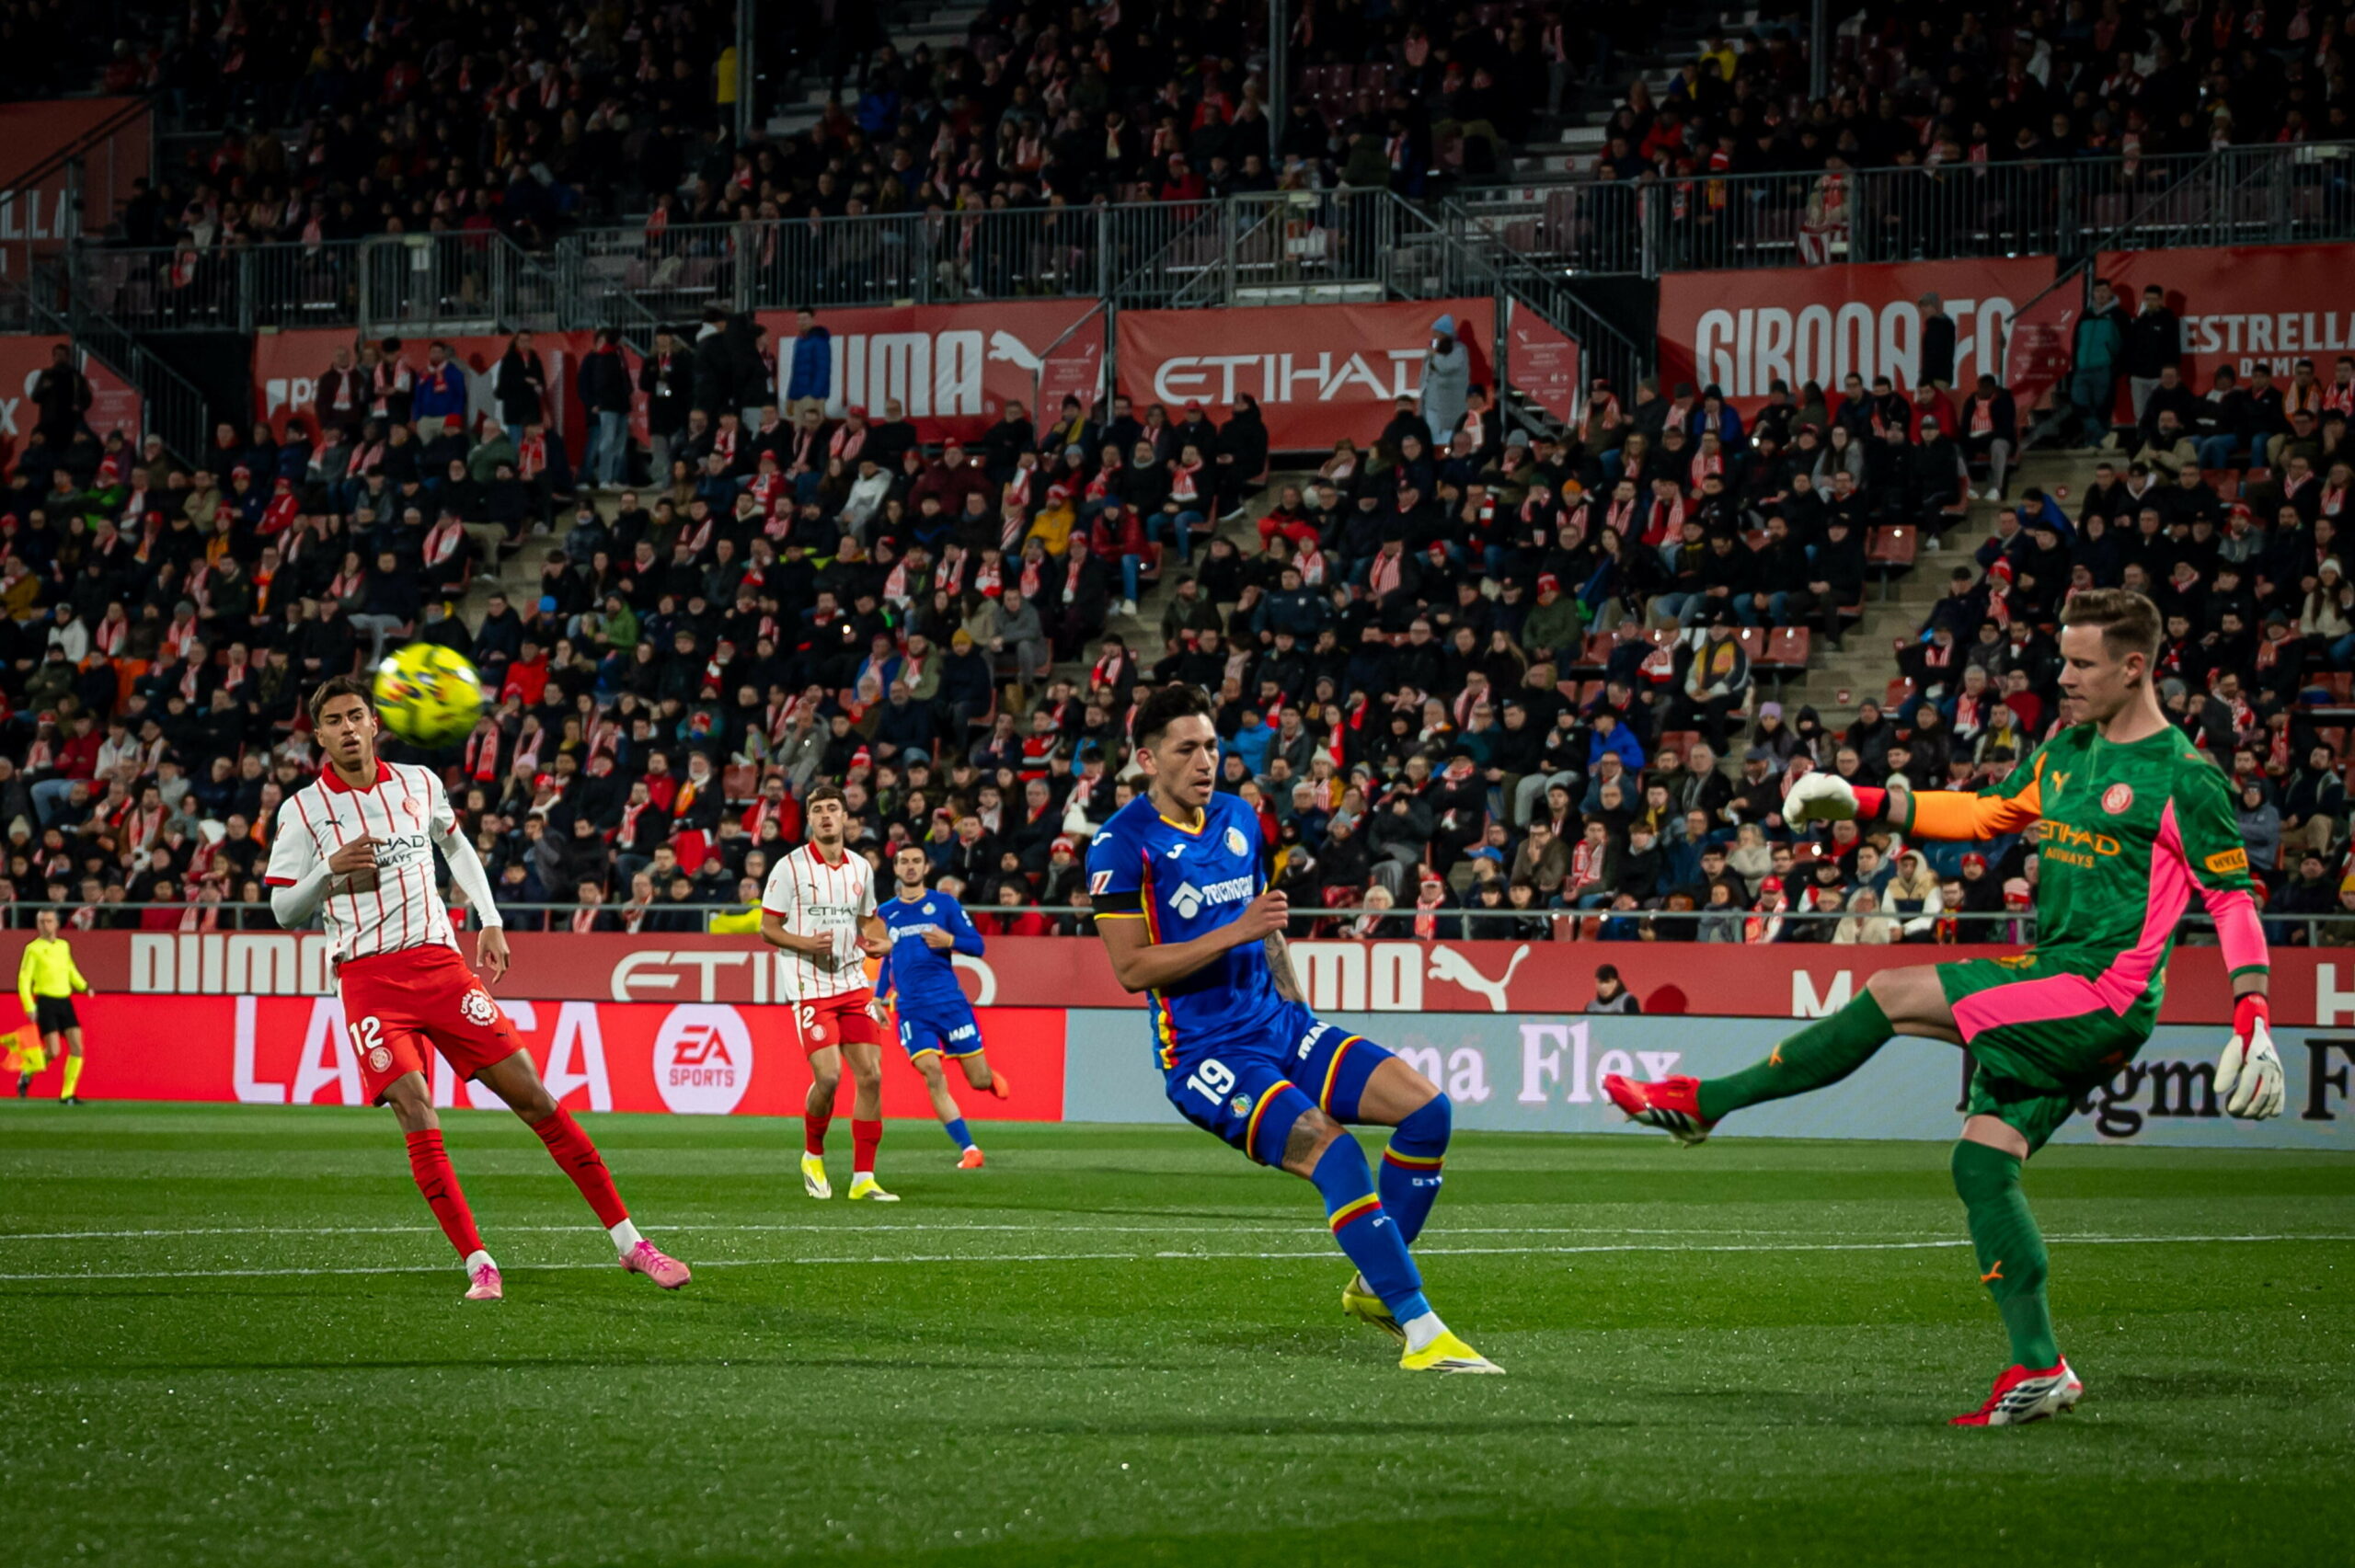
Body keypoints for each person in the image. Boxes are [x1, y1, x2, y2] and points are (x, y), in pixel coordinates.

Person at [1604, 589, 2287, 1425]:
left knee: (1892, 992)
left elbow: (2232, 899)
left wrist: (2252, 1012)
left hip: (2099, 994)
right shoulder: (2069, 749)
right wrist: (1860, 800)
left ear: (2134, 666)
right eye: (2062, 659)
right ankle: (2039, 1368)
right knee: (1981, 1163)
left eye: (2080, 664)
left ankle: (1706, 1103)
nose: (2061, 677)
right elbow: (1981, 812)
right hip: (2053, 976)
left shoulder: (2184, 777)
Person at [1086, 684, 1499, 1374]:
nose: (1205, 760)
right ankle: (1422, 1328)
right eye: (1186, 748)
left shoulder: (1242, 818)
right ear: (1146, 758)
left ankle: (1373, 1287)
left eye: (1212, 746)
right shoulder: (1120, 844)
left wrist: (1299, 1009)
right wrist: (1235, 930)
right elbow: (1131, 968)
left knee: (1428, 1111)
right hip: (1206, 1054)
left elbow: (1269, 927)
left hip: (1282, 1024)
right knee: (1334, 1154)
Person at [267, 676, 692, 1301]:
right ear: (320, 735)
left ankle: (633, 1243)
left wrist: (489, 917)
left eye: (356, 715)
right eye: (334, 720)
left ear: (375, 721)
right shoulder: (302, 811)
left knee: (536, 1097)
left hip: (440, 966)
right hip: (368, 980)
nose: (348, 728)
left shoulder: (419, 782)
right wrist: (327, 871)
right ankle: (478, 1261)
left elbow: (455, 845)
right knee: (416, 1107)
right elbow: (282, 907)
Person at [759, 784, 893, 1202]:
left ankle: (863, 1179)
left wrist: (883, 941)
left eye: (833, 808)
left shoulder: (860, 868)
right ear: (811, 820)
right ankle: (812, 1154)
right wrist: (804, 944)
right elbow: (768, 927)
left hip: (854, 984)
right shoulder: (789, 868)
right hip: (810, 987)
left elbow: (869, 920)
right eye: (818, 810)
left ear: (846, 817)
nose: (827, 816)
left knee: (871, 1076)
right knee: (830, 1076)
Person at [875, 844, 1010, 1168]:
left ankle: (987, 1078)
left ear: (926, 867)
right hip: (911, 1009)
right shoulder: (886, 912)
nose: (910, 867)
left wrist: (949, 941)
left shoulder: (944, 905)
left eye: (916, 861)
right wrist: (879, 996)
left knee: (976, 1080)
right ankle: (970, 1149)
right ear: (895, 869)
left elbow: (977, 945)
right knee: (931, 1072)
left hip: (949, 1004)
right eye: (903, 862)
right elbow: (886, 958)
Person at [16, 909, 92, 1102]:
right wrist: (29, 1006)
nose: (45, 925)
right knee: (53, 1051)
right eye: (41, 921)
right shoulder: (33, 949)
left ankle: (67, 1094)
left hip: (64, 1001)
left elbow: (70, 968)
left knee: (77, 1047)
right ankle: (28, 1071)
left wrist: (84, 986)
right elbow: (24, 979)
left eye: (49, 921)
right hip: (46, 1001)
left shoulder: (63, 946)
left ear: (57, 924)